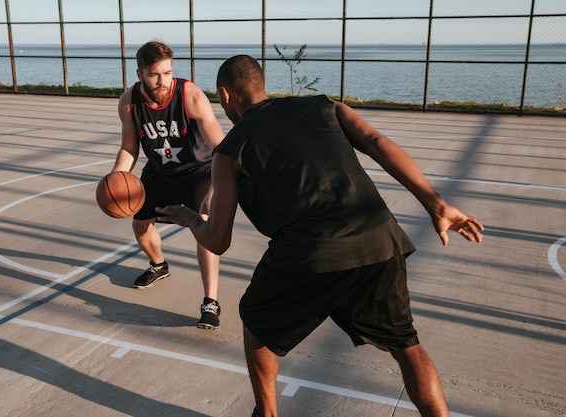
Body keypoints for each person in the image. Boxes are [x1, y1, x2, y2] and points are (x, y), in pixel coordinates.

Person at [156, 55, 484, 416]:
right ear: (262, 85)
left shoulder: (231, 149)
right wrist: (436, 205)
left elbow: (218, 241)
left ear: (225, 94)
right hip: (378, 235)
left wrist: (188, 217)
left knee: (255, 319)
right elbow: (375, 141)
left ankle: (266, 414)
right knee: (407, 345)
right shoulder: (325, 106)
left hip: (310, 249)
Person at [111, 40, 225, 329]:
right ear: (140, 74)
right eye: (155, 74)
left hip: (199, 170)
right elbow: (129, 148)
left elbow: (221, 149)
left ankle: (210, 301)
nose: (163, 81)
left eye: (168, 72)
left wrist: (215, 190)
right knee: (140, 225)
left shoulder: (189, 95)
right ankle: (159, 265)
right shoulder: (129, 103)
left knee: (205, 227)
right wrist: (117, 178)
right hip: (160, 171)